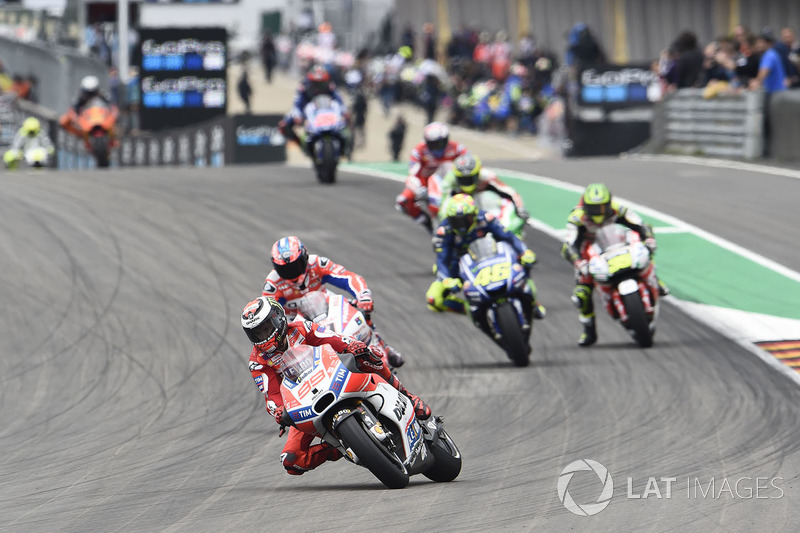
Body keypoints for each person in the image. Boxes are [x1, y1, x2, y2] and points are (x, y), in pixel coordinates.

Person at [243, 296, 431, 476]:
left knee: (366, 357)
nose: (263, 336)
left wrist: (353, 346)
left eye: (266, 328)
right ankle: (342, 445)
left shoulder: (301, 328)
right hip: (304, 402)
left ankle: (408, 396)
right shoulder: (257, 362)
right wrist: (278, 411)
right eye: (257, 333)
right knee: (291, 460)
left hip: (332, 375)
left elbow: (333, 338)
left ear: (278, 319)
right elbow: (271, 395)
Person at [263, 236, 405, 369]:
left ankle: (382, 347)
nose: (292, 273)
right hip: (296, 320)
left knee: (360, 310)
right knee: (283, 353)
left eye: (296, 266)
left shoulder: (317, 263)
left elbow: (348, 277)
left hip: (325, 307)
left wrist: (363, 295)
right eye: (285, 269)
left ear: (305, 257)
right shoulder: (273, 284)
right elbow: (268, 315)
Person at [560, 183, 668, 347]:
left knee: (643, 249)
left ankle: (654, 279)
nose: (598, 212)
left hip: (616, 243)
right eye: (593, 208)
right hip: (589, 251)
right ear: (585, 206)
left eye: (602, 207)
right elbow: (569, 245)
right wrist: (578, 262)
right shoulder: (576, 218)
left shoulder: (619, 209)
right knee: (582, 293)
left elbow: (640, 225)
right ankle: (589, 330)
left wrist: (649, 239)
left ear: (609, 203)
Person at [426, 194, 545, 332]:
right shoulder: (444, 231)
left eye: (465, 219)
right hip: (460, 265)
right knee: (433, 299)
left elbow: (509, 237)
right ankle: (471, 309)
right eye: (456, 221)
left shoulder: (485, 219)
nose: (462, 225)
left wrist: (525, 252)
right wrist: (447, 279)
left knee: (524, 261)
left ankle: (531, 300)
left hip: (492, 257)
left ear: (474, 214)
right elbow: (442, 259)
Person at [395, 122, 467, 233]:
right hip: (426, 183)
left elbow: (471, 164)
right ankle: (426, 222)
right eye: (433, 144)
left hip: (452, 182)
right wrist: (418, 189)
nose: (437, 148)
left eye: (440, 143)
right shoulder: (418, 151)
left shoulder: (457, 148)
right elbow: (412, 175)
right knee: (403, 202)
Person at [278, 65, 351, 156]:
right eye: (315, 83)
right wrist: (298, 115)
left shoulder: (331, 86)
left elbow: (339, 100)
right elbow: (297, 103)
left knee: (347, 117)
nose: (318, 87)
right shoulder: (303, 87)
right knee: (284, 125)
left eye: (321, 83)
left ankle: (346, 145)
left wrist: (344, 111)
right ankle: (301, 144)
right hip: (307, 109)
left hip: (326, 109)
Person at [440, 154, 529, 223]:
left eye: (470, 178)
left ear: (478, 173)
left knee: (487, 197)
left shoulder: (487, 176)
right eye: (463, 179)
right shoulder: (449, 181)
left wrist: (520, 208)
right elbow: (444, 205)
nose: (467, 182)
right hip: (461, 213)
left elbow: (509, 191)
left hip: (484, 208)